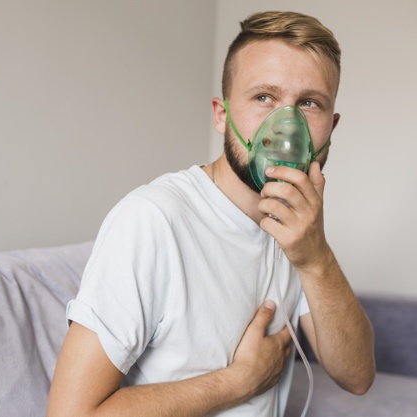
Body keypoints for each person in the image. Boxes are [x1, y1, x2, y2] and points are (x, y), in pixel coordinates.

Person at [47, 10, 375, 417]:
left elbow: (357, 376)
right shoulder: (153, 220)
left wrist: (315, 257)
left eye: (309, 103)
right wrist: (240, 382)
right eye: (264, 97)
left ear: (331, 127)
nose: (286, 126)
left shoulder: (297, 232)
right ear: (222, 114)